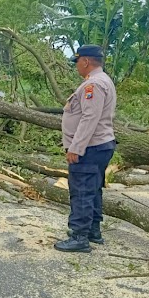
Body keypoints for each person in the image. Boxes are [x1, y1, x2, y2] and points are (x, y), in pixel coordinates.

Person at [54, 45, 116, 253]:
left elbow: (90, 117)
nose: (76, 67)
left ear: (86, 61)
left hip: (90, 146)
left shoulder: (94, 84)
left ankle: (79, 236)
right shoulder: (100, 80)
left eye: (77, 62)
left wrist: (76, 147)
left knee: (81, 190)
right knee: (93, 189)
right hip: (99, 145)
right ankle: (92, 231)